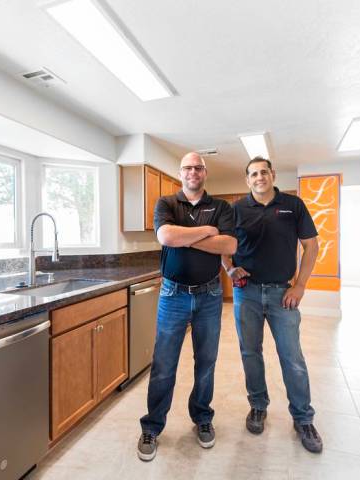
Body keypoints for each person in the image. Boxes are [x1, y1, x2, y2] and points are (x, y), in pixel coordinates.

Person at [137, 152, 237, 462]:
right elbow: (166, 235)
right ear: (180, 173)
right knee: (164, 363)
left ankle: (202, 418)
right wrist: (207, 232)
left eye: (198, 167)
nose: (193, 172)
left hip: (209, 296)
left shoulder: (221, 207)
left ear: (205, 172)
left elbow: (229, 246)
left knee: (205, 361)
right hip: (173, 295)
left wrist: (185, 238)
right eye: (187, 168)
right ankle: (152, 426)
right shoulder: (166, 204)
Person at [221, 156, 323, 453]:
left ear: (272, 174)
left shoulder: (293, 205)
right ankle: (258, 406)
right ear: (247, 179)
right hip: (246, 293)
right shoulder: (236, 209)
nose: (259, 177)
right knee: (250, 353)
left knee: (292, 357)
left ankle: (303, 418)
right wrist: (229, 269)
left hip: (283, 295)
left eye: (263, 172)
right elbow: (222, 244)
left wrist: (300, 285)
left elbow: (311, 245)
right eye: (253, 174)